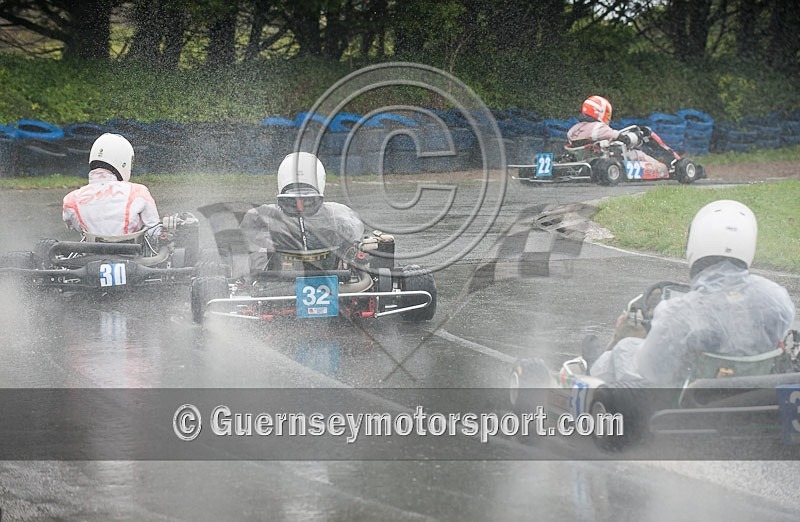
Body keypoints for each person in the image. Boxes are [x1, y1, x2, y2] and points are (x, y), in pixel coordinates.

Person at [588, 200, 795, 385]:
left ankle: (589, 372)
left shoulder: (679, 311)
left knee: (625, 348)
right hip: (759, 399)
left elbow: (652, 372)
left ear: (696, 241)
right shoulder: (775, 298)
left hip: (692, 408)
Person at [240, 152, 365, 271]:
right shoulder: (339, 214)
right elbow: (356, 237)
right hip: (332, 279)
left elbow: (247, 245)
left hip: (277, 281)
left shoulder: (261, 215)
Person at [63, 133, 161, 237]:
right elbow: (154, 231)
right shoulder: (138, 192)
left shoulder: (71, 199)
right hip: (131, 251)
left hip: (90, 251)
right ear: (124, 161)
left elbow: (72, 226)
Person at [567, 95, 668, 178]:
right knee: (636, 153)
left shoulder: (573, 129)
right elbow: (622, 138)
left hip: (581, 160)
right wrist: (635, 137)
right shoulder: (598, 127)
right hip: (602, 160)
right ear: (599, 112)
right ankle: (663, 169)